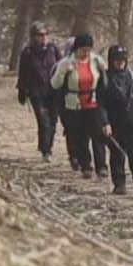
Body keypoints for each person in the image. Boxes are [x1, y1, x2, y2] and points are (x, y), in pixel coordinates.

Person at [48, 34, 110, 179]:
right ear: (76, 49)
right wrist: (63, 71)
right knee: (80, 136)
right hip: (74, 103)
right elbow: (55, 84)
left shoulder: (96, 61)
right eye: (83, 49)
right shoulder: (66, 63)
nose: (86, 53)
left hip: (93, 102)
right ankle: (86, 165)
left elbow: (105, 78)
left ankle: (101, 166)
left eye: (88, 49)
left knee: (98, 135)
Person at [98, 45, 133, 197]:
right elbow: (100, 104)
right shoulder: (105, 79)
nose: (120, 63)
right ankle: (119, 184)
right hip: (115, 124)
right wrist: (105, 123)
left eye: (123, 60)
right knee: (117, 155)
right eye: (117, 60)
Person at [15, 22, 61, 162]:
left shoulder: (53, 49)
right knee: (43, 120)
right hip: (36, 91)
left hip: (53, 90)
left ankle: (47, 146)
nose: (44, 37)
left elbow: (62, 68)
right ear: (33, 37)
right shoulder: (27, 52)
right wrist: (21, 91)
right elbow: (22, 74)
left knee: (53, 120)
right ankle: (46, 151)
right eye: (41, 35)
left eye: (46, 34)